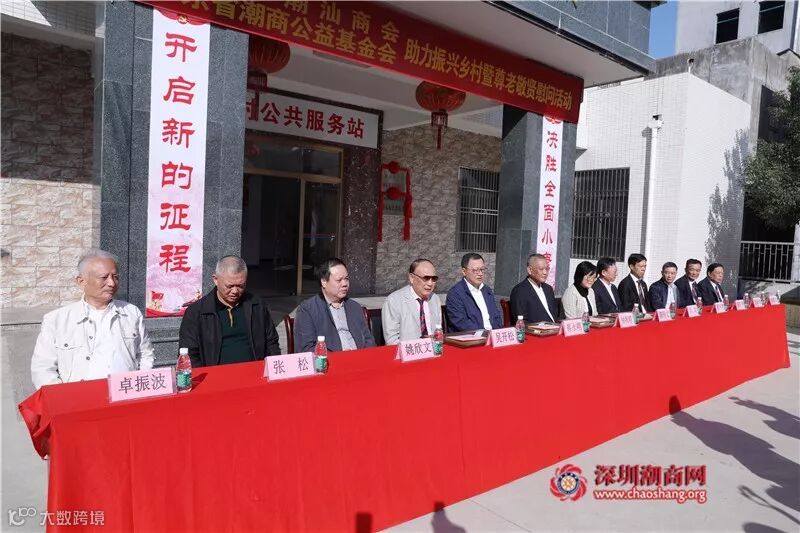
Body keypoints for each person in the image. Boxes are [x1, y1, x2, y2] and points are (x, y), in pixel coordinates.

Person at [31, 249, 154, 389]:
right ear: (81, 281)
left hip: (126, 394)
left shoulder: (132, 313)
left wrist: (140, 388)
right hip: (80, 399)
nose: (112, 283)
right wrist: (65, 397)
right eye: (104, 277)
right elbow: (42, 370)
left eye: (115, 277)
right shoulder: (57, 320)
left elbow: (145, 354)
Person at [179, 255, 280, 367]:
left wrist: (272, 369)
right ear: (215, 280)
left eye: (241, 286)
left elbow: (272, 342)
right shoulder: (196, 313)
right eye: (229, 286)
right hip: (214, 375)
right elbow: (190, 355)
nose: (235, 291)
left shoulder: (257, 305)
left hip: (255, 371)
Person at [294, 258, 375, 352]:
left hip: (359, 357)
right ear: (324, 282)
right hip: (330, 359)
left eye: (346, 279)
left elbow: (369, 341)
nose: (345, 284)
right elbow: (306, 348)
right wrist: (339, 357)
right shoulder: (307, 310)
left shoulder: (354, 307)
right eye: (339, 280)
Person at [381, 258, 443, 345]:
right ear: (412, 278)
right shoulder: (394, 301)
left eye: (433, 279)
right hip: (407, 351)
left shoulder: (435, 299)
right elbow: (391, 340)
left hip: (433, 349)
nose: (430, 283)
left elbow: (438, 332)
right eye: (426, 278)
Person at [445, 253, 503, 332]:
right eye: (475, 270)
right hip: (471, 337)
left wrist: (495, 333)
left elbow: (496, 317)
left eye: (482, 269)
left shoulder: (487, 290)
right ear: (464, 271)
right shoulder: (455, 294)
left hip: (492, 335)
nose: (480, 273)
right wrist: (484, 334)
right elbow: (461, 323)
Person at [509, 253, 558, 323]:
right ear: (529, 270)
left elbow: (555, 315)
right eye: (541, 269)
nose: (545, 272)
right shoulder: (519, 291)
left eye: (547, 269)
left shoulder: (548, 289)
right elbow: (521, 320)